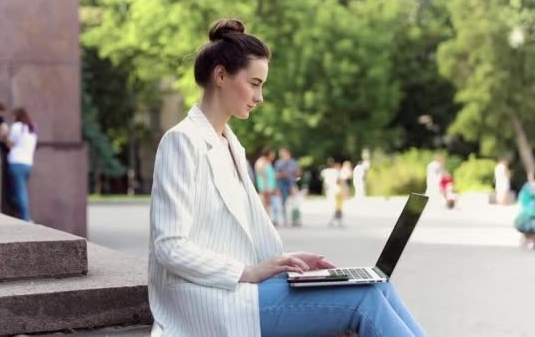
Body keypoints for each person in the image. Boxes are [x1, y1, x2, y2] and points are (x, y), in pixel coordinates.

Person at [148, 18, 426, 337]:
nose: (260, 96)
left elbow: (234, 235)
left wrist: (285, 263)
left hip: (238, 291)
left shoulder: (230, 143)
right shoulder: (182, 141)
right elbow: (168, 246)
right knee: (363, 300)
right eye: (254, 83)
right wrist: (250, 272)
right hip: (206, 299)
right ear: (221, 75)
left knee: (378, 288)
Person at [6, 107, 37, 221]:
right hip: (28, 164)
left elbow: (10, 144)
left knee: (19, 193)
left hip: (16, 163)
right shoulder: (32, 128)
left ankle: (26, 219)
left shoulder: (17, 126)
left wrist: (4, 136)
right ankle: (22, 217)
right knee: (17, 192)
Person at [255, 147, 281, 226]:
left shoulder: (268, 162)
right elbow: (263, 176)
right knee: (265, 203)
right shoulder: (261, 162)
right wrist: (266, 187)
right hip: (265, 186)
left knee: (268, 203)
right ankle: (265, 222)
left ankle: (268, 221)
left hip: (270, 185)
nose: (273, 156)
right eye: (272, 154)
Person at [274, 147, 299, 226]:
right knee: (283, 203)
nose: (281, 154)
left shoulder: (293, 162)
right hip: (281, 185)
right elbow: (276, 175)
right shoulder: (278, 163)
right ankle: (284, 219)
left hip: (291, 184)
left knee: (295, 202)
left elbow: (297, 174)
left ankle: (295, 219)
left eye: (283, 152)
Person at [515, 170, 535, 249]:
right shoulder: (529, 190)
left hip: (521, 221)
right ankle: (529, 238)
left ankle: (528, 238)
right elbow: (531, 211)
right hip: (525, 221)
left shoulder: (526, 189)